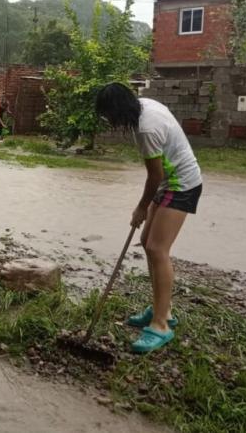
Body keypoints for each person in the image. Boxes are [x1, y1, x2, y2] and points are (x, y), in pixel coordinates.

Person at [95, 82, 202, 354]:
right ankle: (161, 309)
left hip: (181, 184)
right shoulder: (146, 105)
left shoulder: (146, 128)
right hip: (170, 182)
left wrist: (141, 207)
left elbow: (154, 176)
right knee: (146, 242)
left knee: (157, 249)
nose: (109, 121)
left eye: (108, 115)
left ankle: (161, 325)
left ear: (118, 110)